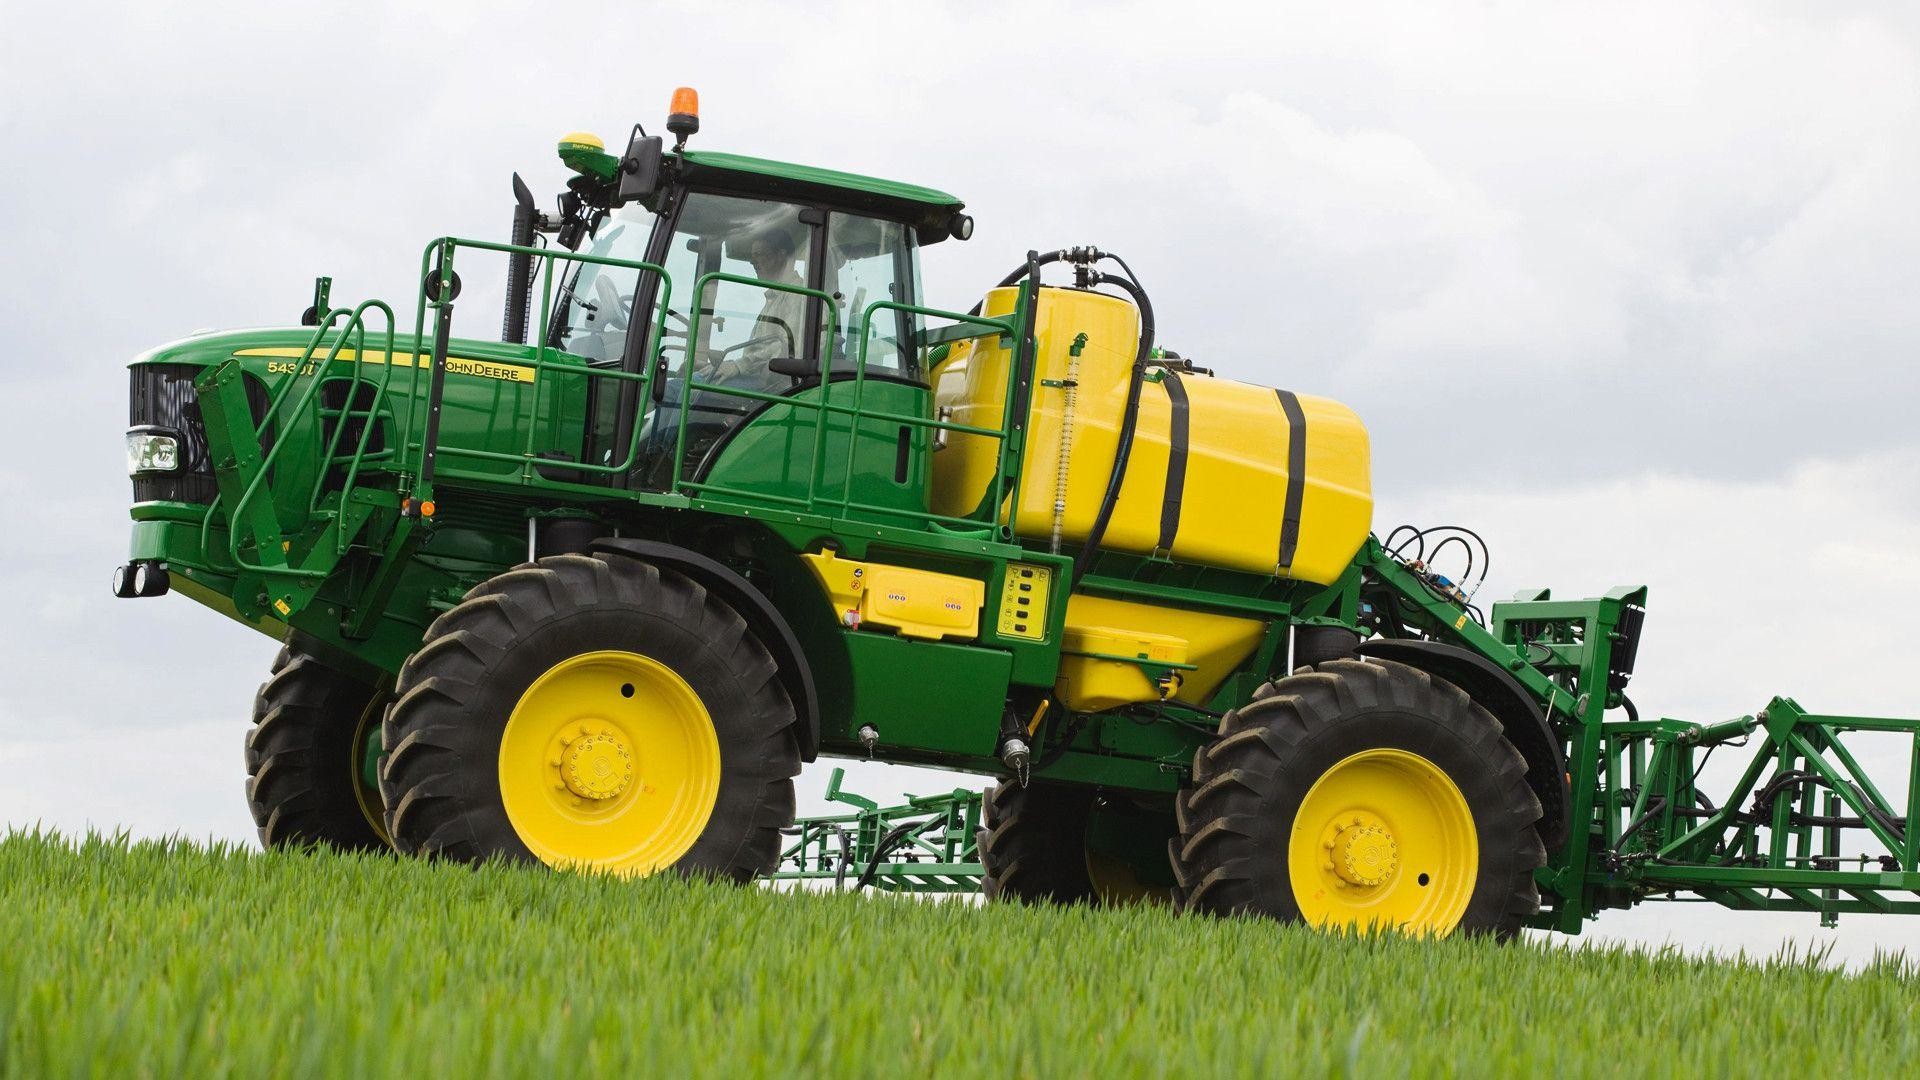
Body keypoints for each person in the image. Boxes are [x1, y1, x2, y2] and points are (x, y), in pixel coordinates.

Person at [704, 223, 808, 390]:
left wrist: (738, 366)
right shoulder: (775, 298)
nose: (752, 262)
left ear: (781, 255)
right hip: (759, 378)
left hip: (776, 385)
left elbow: (787, 347)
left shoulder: (798, 296)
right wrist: (726, 364)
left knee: (683, 387)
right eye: (752, 256)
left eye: (759, 255)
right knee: (690, 378)